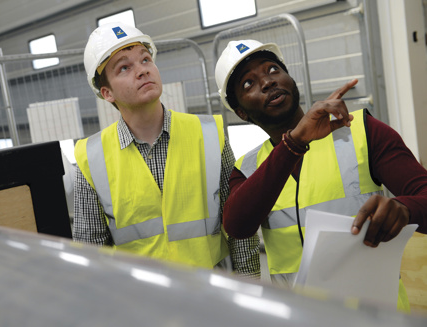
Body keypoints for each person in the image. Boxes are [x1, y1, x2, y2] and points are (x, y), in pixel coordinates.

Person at [214, 39, 427, 310]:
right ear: (241, 112)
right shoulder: (248, 169)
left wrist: (403, 208)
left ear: (290, 79)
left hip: (376, 318)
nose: (267, 82)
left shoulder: (360, 130)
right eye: (248, 83)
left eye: (273, 70)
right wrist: (294, 143)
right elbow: (237, 226)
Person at [72, 23, 260, 278]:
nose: (142, 71)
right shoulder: (90, 158)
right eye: (125, 67)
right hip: (142, 308)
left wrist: (249, 289)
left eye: (146, 59)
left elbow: (240, 229)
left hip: (211, 297)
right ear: (107, 93)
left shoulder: (209, 134)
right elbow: (90, 254)